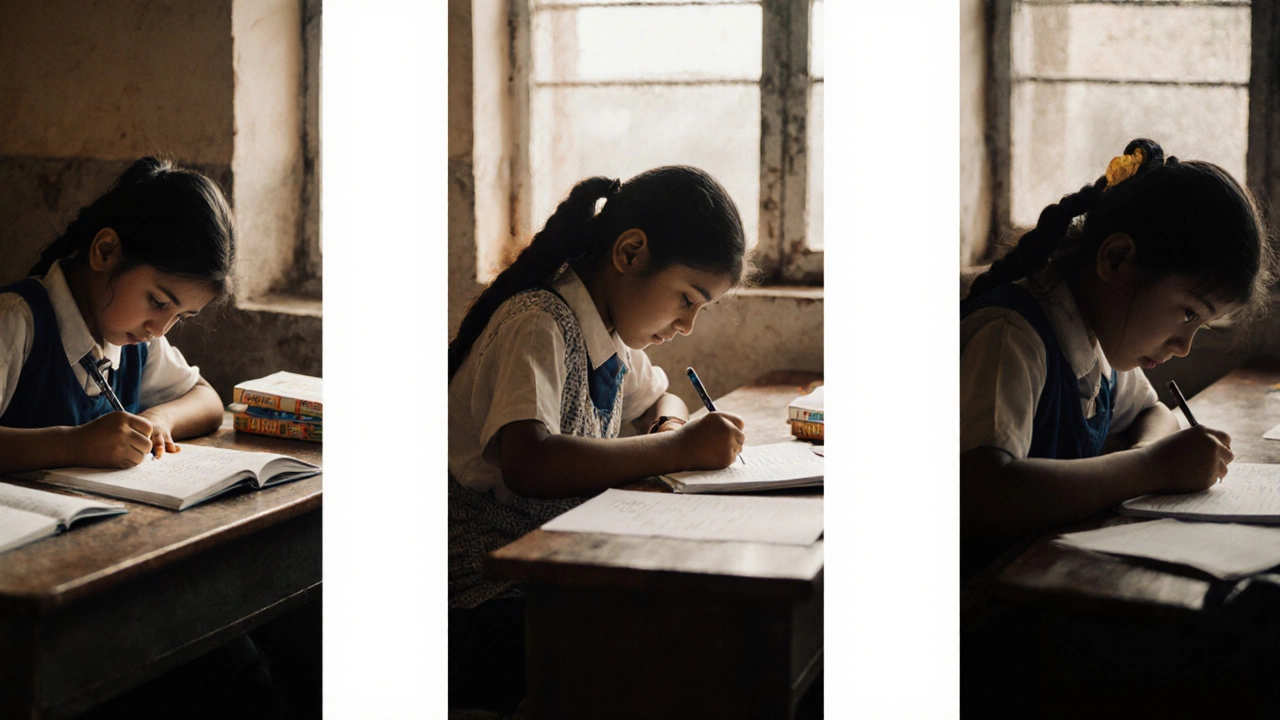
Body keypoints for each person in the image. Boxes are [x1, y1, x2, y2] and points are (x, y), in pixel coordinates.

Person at [448, 165, 751, 710]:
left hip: (554, 572)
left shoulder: (609, 338)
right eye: (687, 298)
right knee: (674, 653)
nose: (687, 326)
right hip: (480, 594)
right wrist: (678, 451)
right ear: (630, 253)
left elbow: (663, 399)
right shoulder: (537, 322)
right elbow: (530, 463)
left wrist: (670, 427)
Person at [960, 138, 1274, 577]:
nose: (1183, 346)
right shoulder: (1011, 336)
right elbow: (983, 493)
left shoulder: (1094, 343)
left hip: (1043, 583)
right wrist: (1150, 468)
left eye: (1199, 327)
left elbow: (1153, 412)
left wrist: (1150, 459)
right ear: (1117, 259)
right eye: (1188, 313)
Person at [0, 156, 233, 474]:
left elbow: (207, 400)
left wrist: (160, 419)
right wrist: (74, 445)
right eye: (158, 301)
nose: (160, 329)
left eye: (181, 317)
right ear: (106, 252)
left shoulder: (136, 340)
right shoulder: (16, 320)